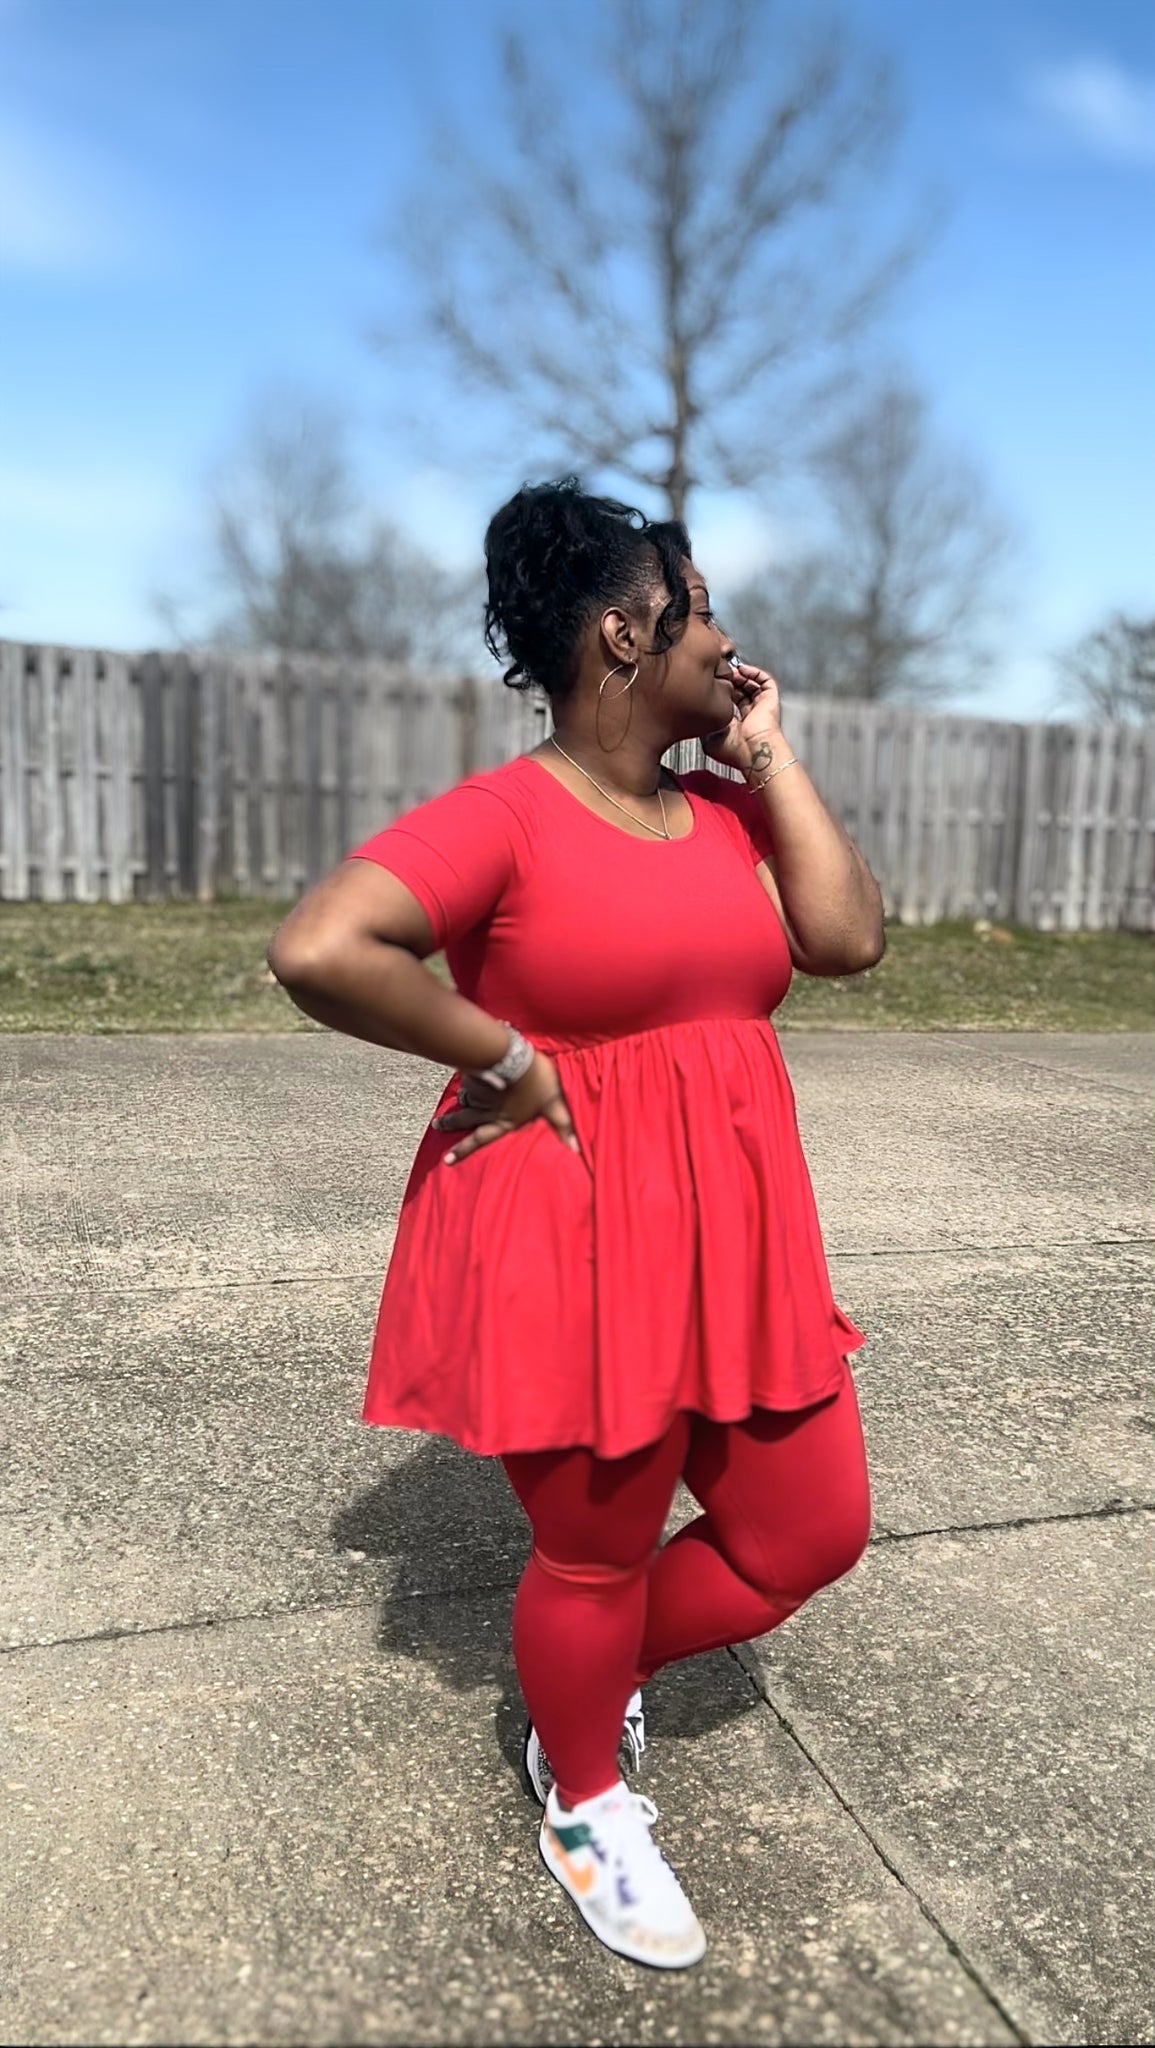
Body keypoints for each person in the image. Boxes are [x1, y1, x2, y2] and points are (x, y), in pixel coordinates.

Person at [267, 477, 883, 1971]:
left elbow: (846, 937)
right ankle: (586, 1795)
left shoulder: (725, 811)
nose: (727, 643)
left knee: (809, 1530)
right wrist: (500, 1053)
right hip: (574, 1232)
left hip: (737, 1236)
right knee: (594, 1557)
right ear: (624, 634)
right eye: (701, 614)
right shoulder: (508, 818)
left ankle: (582, 1683)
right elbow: (323, 947)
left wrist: (771, 752)